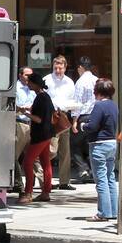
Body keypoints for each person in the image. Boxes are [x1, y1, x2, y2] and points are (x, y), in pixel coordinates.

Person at [82, 78, 119, 222]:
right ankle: (113, 211)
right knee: (110, 178)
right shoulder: (113, 105)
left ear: (97, 92)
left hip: (99, 144)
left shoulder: (99, 106)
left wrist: (82, 126)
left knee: (101, 180)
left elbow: (92, 126)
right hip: (111, 143)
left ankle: (103, 213)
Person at [19, 73, 55, 205]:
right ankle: (46, 192)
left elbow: (38, 119)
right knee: (46, 163)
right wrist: (29, 109)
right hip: (47, 134)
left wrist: (25, 113)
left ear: (35, 84)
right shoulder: (45, 96)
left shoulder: (40, 98)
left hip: (40, 135)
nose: (27, 84)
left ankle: (28, 192)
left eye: (29, 82)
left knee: (27, 162)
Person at [43, 54, 76, 190]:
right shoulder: (47, 80)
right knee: (51, 150)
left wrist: (74, 118)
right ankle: (45, 180)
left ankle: (64, 181)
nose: (58, 71)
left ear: (65, 67)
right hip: (51, 116)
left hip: (64, 115)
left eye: (60, 68)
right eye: (55, 68)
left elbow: (72, 99)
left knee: (65, 150)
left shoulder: (69, 82)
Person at [71, 56, 97, 184]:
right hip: (96, 116)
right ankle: (93, 170)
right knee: (90, 144)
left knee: (74, 144)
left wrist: (74, 121)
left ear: (80, 67)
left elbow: (77, 103)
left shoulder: (80, 82)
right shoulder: (96, 80)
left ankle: (83, 169)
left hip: (84, 116)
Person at [13, 65, 35, 192]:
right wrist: (22, 108)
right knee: (15, 155)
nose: (29, 77)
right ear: (20, 75)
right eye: (27, 75)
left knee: (33, 156)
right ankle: (18, 184)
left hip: (31, 123)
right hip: (19, 123)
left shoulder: (32, 88)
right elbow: (13, 106)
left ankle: (37, 184)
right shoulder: (15, 88)